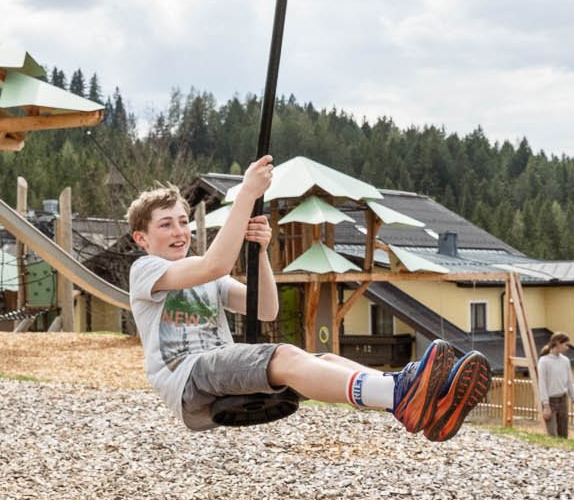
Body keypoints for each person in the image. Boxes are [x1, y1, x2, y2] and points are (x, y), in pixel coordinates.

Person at [126, 155, 491, 438]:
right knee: (284, 355)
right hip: (190, 379)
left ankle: (424, 402)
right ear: (142, 238)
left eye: (181, 221)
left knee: (325, 358)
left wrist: (262, 253)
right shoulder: (146, 270)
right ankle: (400, 393)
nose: (178, 231)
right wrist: (247, 193)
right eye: (165, 224)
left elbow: (266, 308)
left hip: (218, 373)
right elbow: (215, 264)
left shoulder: (205, 276)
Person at [537, 333, 574, 438]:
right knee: (552, 433)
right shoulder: (544, 361)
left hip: (563, 399)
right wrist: (546, 405)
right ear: (558, 343)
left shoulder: (565, 361)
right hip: (550, 401)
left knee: (563, 433)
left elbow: (569, 382)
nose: (567, 348)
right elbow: (542, 384)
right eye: (566, 345)